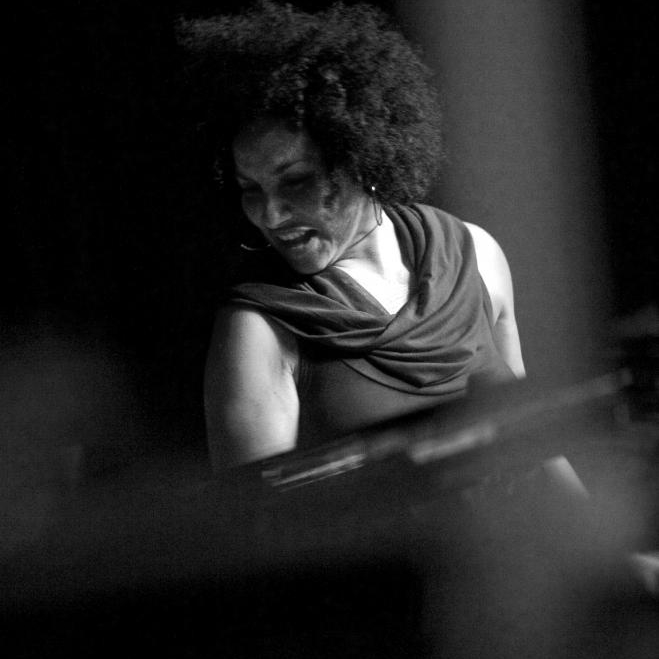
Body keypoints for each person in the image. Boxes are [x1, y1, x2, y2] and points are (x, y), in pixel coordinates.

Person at [177, 1, 524, 470]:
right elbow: (256, 513)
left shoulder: (477, 253)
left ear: (361, 159)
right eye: (250, 189)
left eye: (296, 181)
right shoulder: (258, 327)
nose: (270, 215)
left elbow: (538, 441)